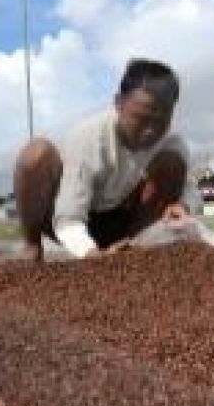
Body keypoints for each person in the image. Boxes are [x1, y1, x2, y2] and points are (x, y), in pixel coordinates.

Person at [12, 58, 196, 261]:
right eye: (140, 119)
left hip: (124, 224)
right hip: (75, 219)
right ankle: (32, 247)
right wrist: (90, 253)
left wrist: (184, 205)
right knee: (36, 155)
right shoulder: (89, 136)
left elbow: (190, 189)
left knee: (173, 162)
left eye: (161, 121)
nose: (150, 131)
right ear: (118, 103)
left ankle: (133, 248)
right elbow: (68, 218)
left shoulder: (172, 142)